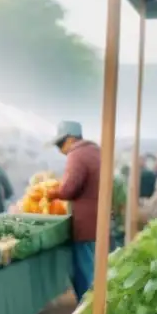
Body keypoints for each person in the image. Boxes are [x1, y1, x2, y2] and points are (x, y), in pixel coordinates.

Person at [49, 121, 100, 300]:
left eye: (60, 144)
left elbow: (69, 189)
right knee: (94, 268)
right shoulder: (95, 151)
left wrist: (50, 192)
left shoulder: (76, 154)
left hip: (84, 224)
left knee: (84, 271)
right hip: (98, 221)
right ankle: (94, 309)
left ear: (70, 139)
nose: (59, 149)